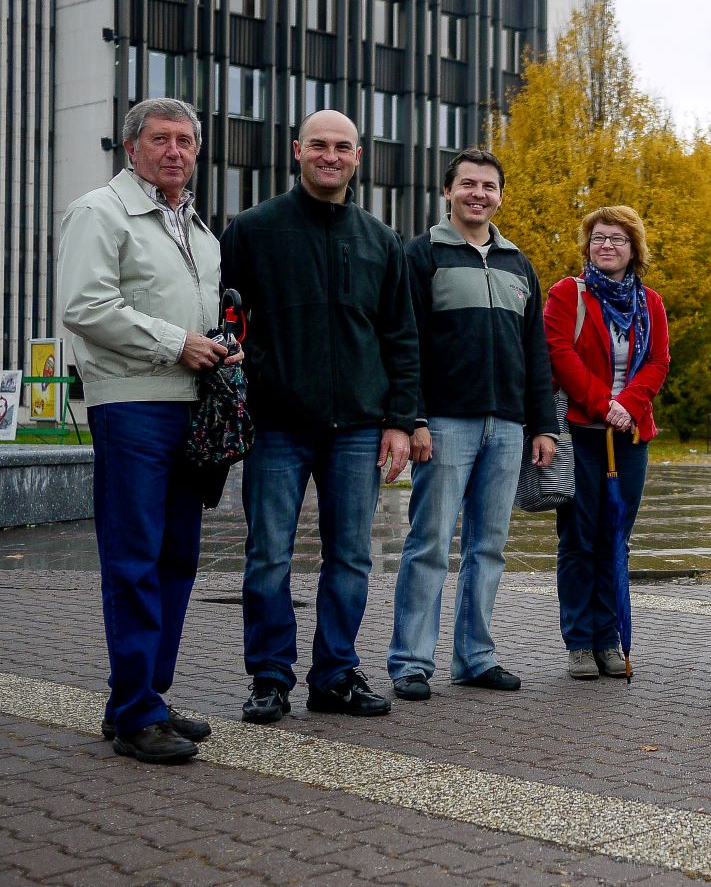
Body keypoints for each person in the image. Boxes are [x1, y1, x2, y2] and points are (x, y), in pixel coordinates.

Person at [220, 109, 420, 724]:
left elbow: (401, 337)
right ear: (297, 151)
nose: (330, 156)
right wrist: (254, 379)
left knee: (352, 557)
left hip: (359, 428)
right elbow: (224, 319)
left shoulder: (380, 240)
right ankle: (271, 676)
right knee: (269, 556)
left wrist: (399, 420)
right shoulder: (252, 230)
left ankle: (334, 674)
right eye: (319, 145)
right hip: (277, 423)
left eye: (343, 147)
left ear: (358, 157)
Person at [57, 97, 226, 763]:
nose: (175, 151)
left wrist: (216, 345)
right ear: (132, 148)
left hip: (190, 406)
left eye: (186, 141)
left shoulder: (201, 231)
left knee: (177, 557)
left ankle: (144, 695)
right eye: (161, 139)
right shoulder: (101, 211)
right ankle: (134, 715)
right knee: (134, 561)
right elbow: (86, 305)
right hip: (130, 405)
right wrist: (173, 341)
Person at [385, 149, 557, 702]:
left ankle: (475, 657)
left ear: (500, 195)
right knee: (430, 543)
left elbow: (535, 352)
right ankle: (411, 662)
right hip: (444, 424)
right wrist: (411, 418)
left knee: (489, 547)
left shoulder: (518, 264)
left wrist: (542, 425)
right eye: (468, 184)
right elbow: (404, 343)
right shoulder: (421, 255)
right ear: (448, 191)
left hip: (507, 427)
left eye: (488, 186)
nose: (478, 194)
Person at [545, 206, 671, 679]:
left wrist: (629, 405)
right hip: (581, 433)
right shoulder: (567, 294)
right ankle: (580, 641)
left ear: (633, 248)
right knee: (578, 537)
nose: (607, 246)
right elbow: (558, 353)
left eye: (617, 239)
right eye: (598, 238)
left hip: (631, 435)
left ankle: (609, 638)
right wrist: (603, 404)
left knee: (614, 538)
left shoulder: (650, 302)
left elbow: (658, 361)